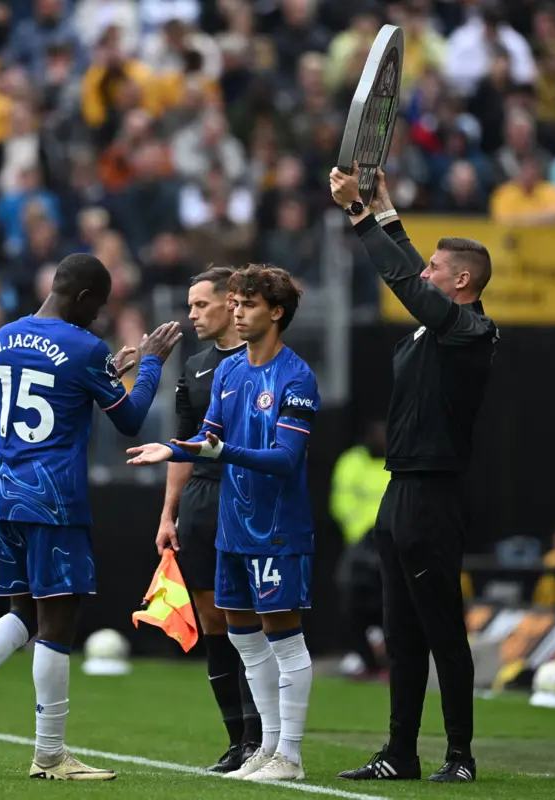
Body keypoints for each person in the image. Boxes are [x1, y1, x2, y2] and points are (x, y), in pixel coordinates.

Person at [0, 253, 183, 780]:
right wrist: (152, 360)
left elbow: (53, 384)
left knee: (22, 610)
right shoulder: (85, 346)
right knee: (57, 624)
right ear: (84, 297)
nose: (99, 318)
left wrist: (107, 373)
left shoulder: (3, 336)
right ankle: (49, 756)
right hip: (54, 499)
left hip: (5, 491)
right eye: (99, 307)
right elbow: (131, 420)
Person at [330, 165, 498, 783]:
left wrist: (360, 216)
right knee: (401, 633)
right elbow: (410, 271)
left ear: (461, 281)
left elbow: (404, 278)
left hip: (434, 496)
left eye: (435, 266)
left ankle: (460, 755)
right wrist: (386, 210)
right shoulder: (438, 328)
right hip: (399, 492)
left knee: (442, 631)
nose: (423, 270)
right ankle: (400, 753)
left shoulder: (471, 330)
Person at [127, 264, 320, 783]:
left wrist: (221, 450)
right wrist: (168, 448)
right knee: (242, 637)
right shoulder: (230, 374)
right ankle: (264, 747)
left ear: (276, 312)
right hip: (232, 524)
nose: (237, 310)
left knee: (284, 638)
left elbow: (284, 457)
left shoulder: (296, 377)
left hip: (277, 525)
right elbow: (205, 435)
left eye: (248, 304)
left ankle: (291, 755)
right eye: (234, 302)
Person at [153, 265, 260, 772]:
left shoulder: (262, 357)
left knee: (251, 621)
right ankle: (237, 739)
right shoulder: (194, 365)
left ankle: (266, 737)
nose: (192, 314)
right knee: (213, 619)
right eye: (190, 305)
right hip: (201, 501)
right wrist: (168, 514)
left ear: (230, 303)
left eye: (201, 304)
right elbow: (182, 448)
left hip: (247, 494)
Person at [330, 419, 391, 678]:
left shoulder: (399, 462)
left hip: (392, 545)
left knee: (393, 605)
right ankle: (363, 658)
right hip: (360, 546)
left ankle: (389, 659)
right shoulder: (352, 461)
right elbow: (341, 501)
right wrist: (361, 533)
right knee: (351, 602)